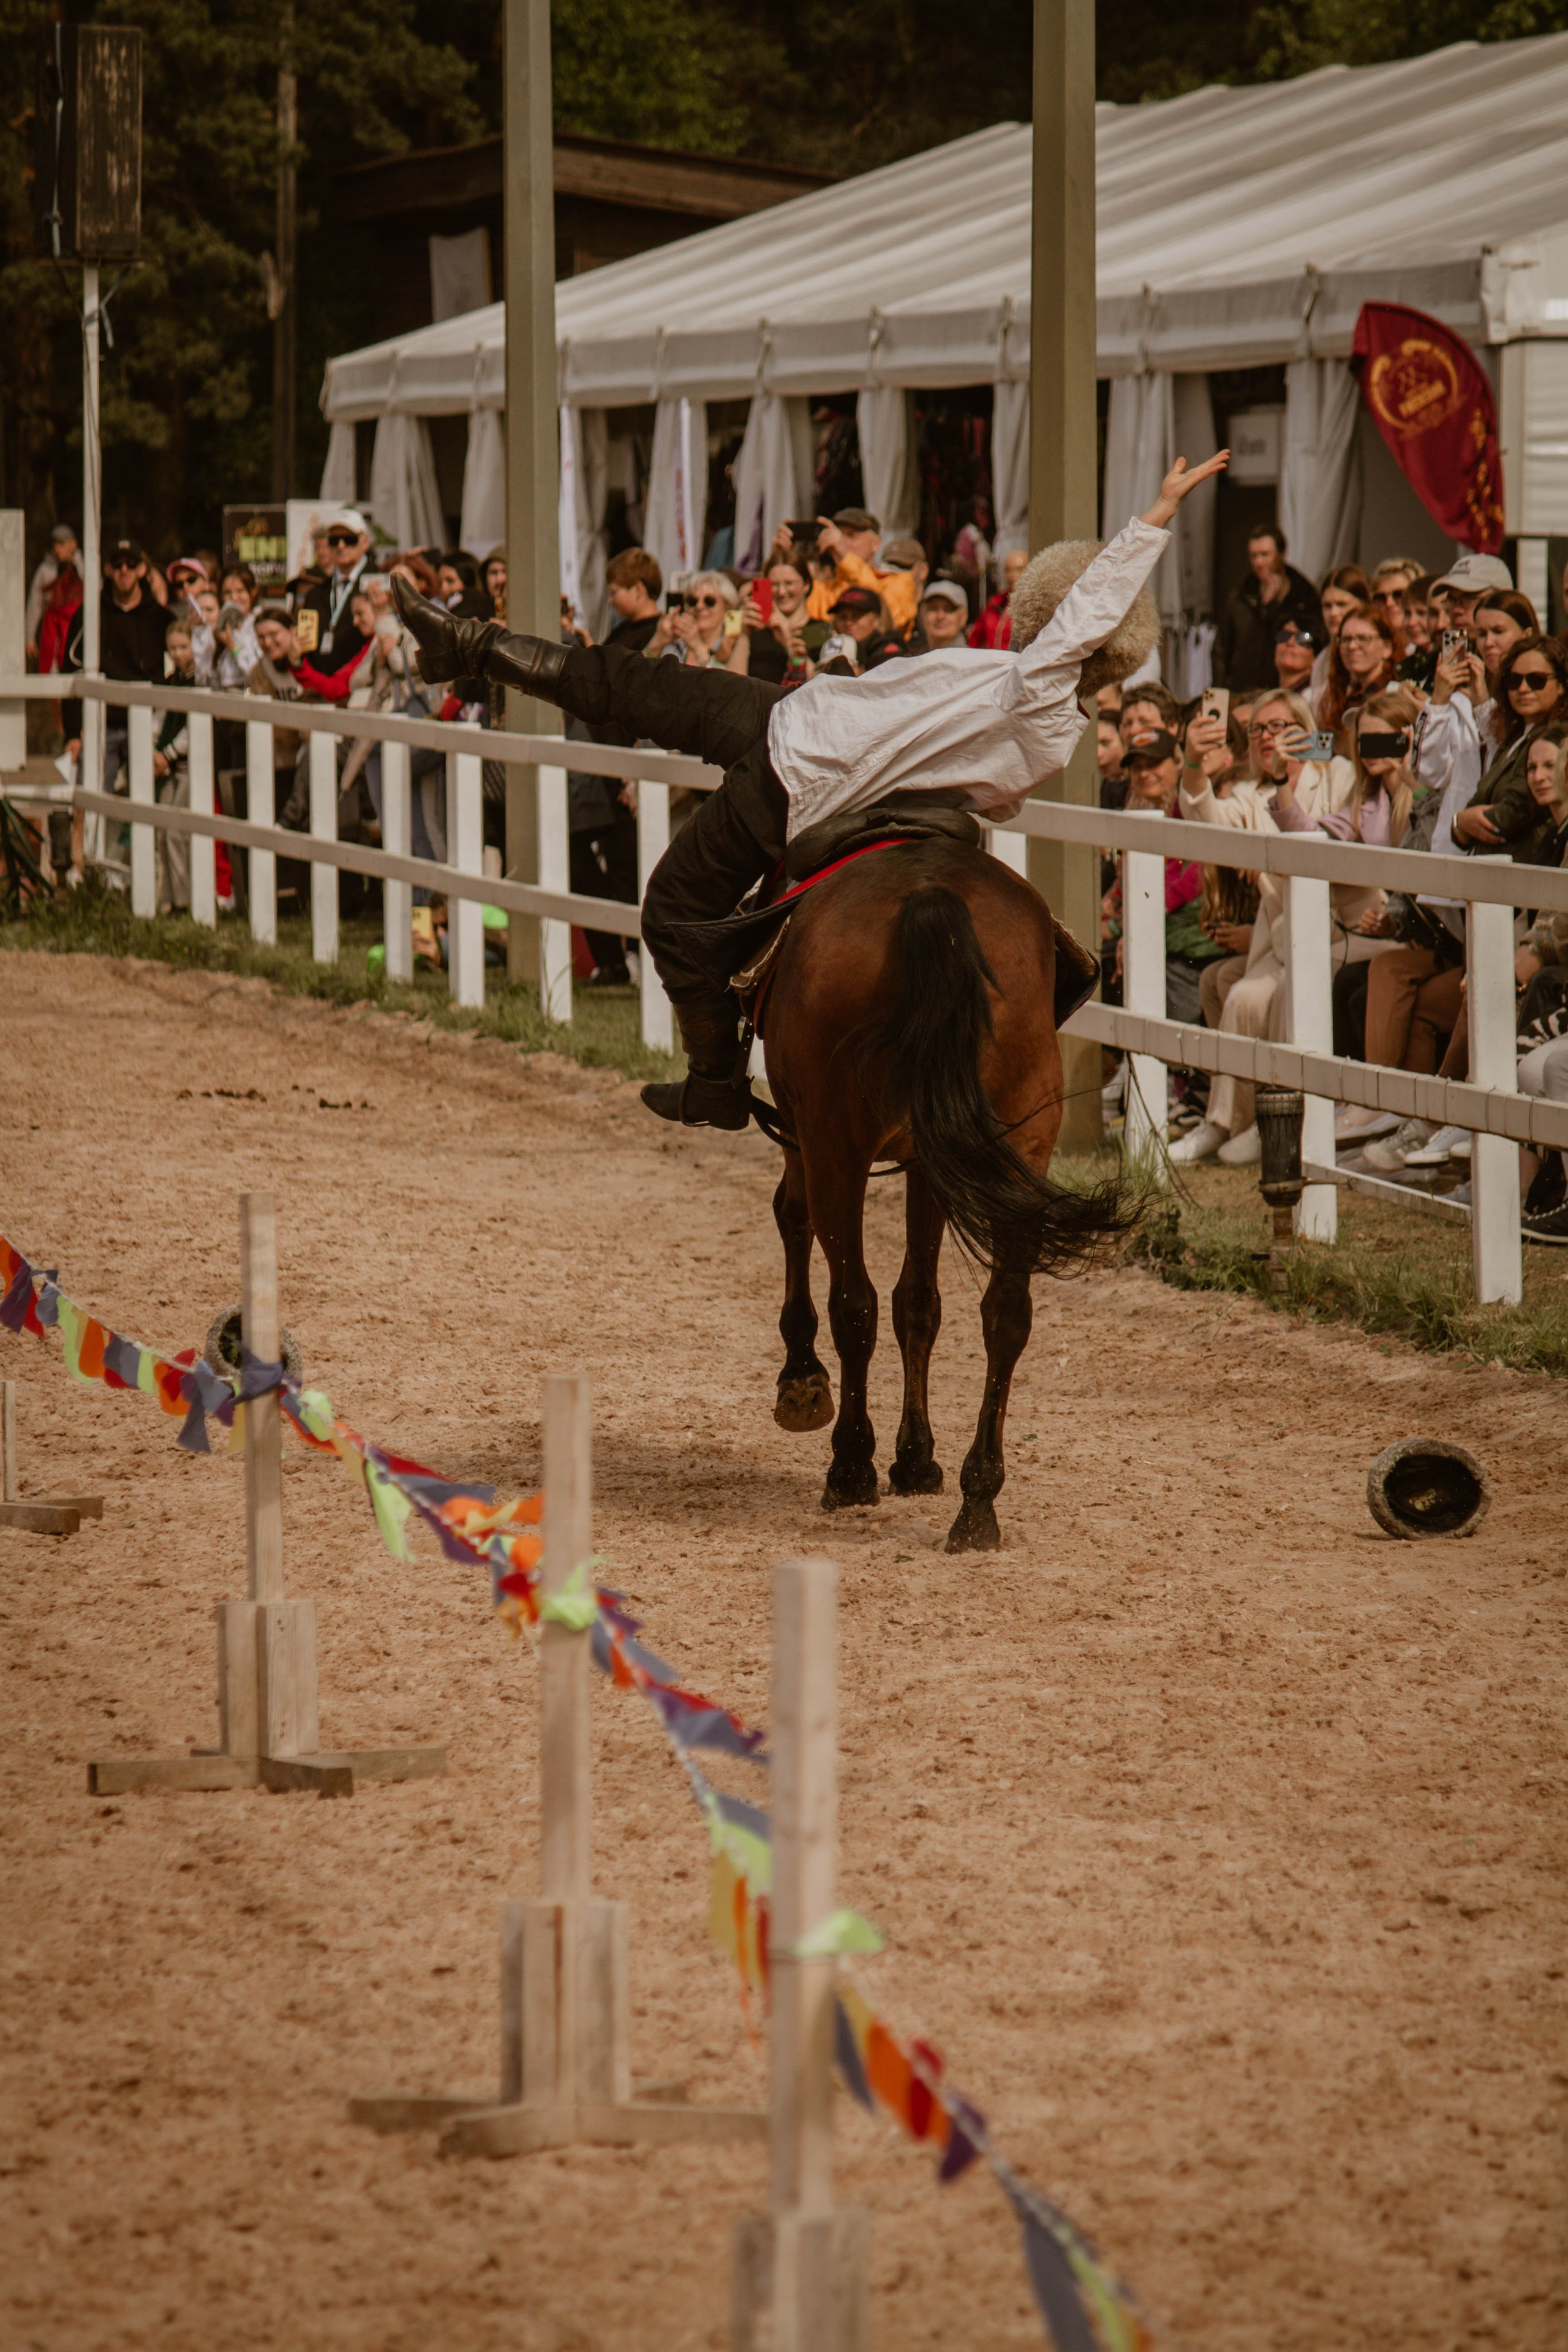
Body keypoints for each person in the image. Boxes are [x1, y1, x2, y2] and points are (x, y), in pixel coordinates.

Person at [394, 451, 1231, 1127]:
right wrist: (839, 672)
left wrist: (1154, 516)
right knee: (633, 684)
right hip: (800, 718)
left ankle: (715, 1081)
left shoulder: (1041, 689)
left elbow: (1080, 622)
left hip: (800, 777)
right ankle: (465, 645)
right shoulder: (1026, 695)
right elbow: (938, 750)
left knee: (669, 910)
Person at [1451, 633, 1567, 862]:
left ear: (1562, 685)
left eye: (1536, 680)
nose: (1523, 689)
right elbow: (1477, 802)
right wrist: (1460, 822)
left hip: (1529, 867)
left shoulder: (1559, 737)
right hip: (1490, 867)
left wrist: (1461, 821)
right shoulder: (1514, 737)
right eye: (1514, 680)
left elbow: (1514, 813)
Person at [1213, 523, 1323, 691]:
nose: (1259, 562)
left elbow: (1315, 643)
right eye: (1253, 556)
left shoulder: (1305, 597)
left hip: (1288, 689)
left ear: (1281, 554)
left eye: (1265, 555)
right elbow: (1221, 650)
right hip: (1242, 689)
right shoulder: (1241, 595)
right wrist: (1220, 690)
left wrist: (1273, 607)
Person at [99, 541, 169, 793]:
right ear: (108, 570)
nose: (124, 570)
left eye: (131, 563)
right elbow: (71, 667)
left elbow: (180, 672)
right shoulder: (92, 615)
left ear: (142, 569)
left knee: (144, 797)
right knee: (93, 798)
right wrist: (74, 732)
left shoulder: (161, 618)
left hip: (147, 724)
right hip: (102, 722)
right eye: (117, 564)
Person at [152, 619, 197, 913]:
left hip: (187, 764)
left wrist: (166, 754)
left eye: (184, 647)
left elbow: (194, 729)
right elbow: (160, 717)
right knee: (162, 832)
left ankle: (185, 900)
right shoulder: (171, 680)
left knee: (177, 833)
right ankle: (168, 899)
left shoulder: (199, 680)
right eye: (173, 648)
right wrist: (153, 751)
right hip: (167, 764)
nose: (178, 654)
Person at [297, 508, 372, 671]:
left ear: (365, 542)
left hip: (362, 679)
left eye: (349, 539)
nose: (341, 546)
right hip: (318, 681)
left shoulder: (378, 585)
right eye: (334, 540)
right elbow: (305, 646)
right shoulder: (315, 594)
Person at [1317, 603, 1399, 744]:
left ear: (1387, 648)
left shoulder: (1397, 695)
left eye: (1363, 638)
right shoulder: (1341, 698)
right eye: (1346, 639)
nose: (1352, 646)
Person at [24, 522, 81, 662]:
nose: (57, 549)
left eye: (61, 544)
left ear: (73, 544)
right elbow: (35, 603)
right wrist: (29, 636)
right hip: (53, 632)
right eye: (54, 544)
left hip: (79, 632)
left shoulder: (85, 568)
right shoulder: (45, 570)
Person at [969, 549, 1028, 649]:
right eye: (1008, 570)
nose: (1013, 575)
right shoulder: (995, 603)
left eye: (1019, 570)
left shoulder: (1032, 604)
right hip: (993, 657)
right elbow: (975, 639)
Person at [912, 578, 971, 652]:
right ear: (922, 614)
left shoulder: (971, 658)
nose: (940, 617)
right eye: (933, 609)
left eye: (949, 610)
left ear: (964, 617)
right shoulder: (914, 657)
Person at [1273, 617, 1319, 698]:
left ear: (1317, 658)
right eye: (1284, 635)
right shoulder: (1268, 698)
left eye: (1303, 639)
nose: (1290, 643)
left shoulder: (1315, 698)